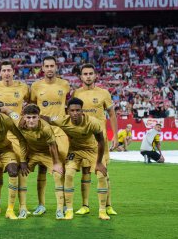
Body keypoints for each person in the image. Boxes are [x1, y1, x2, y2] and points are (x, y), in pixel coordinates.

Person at [47, 97, 109, 220]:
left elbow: (101, 142)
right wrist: (27, 117)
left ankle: (102, 211)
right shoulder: (62, 120)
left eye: (78, 110)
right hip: (75, 151)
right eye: (72, 110)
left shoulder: (93, 122)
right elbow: (47, 119)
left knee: (102, 175)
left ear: (82, 111)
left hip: (92, 151)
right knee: (69, 174)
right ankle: (69, 210)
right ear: (67, 111)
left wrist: (99, 163)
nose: (75, 113)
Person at [2, 104, 64, 219]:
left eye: (34, 117)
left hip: (47, 154)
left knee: (57, 174)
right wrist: (23, 161)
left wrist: (56, 163)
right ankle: (23, 208)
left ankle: (60, 209)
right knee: (21, 173)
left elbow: (52, 145)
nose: (31, 120)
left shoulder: (45, 127)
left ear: (39, 117)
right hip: (33, 153)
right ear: (24, 117)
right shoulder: (17, 120)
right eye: (28, 117)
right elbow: (6, 109)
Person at [73, 63, 118, 216]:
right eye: (85, 74)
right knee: (85, 171)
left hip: (100, 139)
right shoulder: (76, 94)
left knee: (103, 171)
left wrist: (115, 136)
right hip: (83, 140)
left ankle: (108, 205)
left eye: (90, 73)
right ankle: (85, 205)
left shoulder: (104, 93)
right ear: (81, 77)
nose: (88, 76)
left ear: (95, 75)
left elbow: (112, 115)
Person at [0, 60, 29, 216]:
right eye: (3, 70)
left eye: (9, 70)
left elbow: (30, 105)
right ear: (0, 72)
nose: (6, 73)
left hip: (17, 134)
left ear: (13, 71)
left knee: (19, 169)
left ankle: (22, 206)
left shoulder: (23, 87)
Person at [29, 56, 70, 215]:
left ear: (56, 67)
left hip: (60, 132)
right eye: (47, 66)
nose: (50, 69)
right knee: (41, 168)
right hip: (41, 132)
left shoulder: (64, 84)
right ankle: (41, 204)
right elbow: (32, 106)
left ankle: (65, 204)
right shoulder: (36, 86)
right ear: (42, 68)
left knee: (62, 167)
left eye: (52, 65)